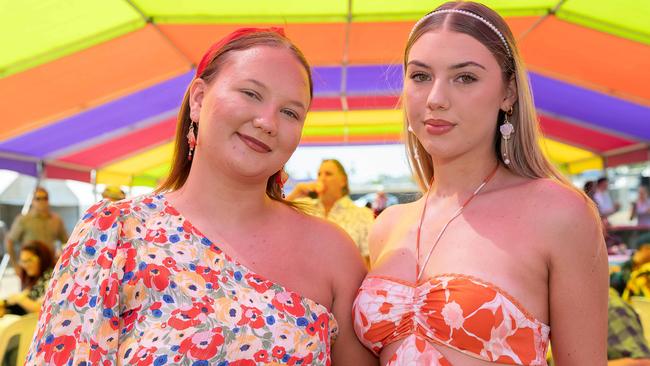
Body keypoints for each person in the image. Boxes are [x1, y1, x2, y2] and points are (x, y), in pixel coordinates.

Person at [26, 28, 374, 365]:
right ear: (198, 99)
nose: (268, 122)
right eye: (251, 94)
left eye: (290, 112)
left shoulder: (334, 254)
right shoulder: (114, 234)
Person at [352, 2, 608, 365]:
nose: (436, 99)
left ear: (508, 94)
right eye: (420, 76)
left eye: (465, 78)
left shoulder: (559, 213)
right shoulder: (389, 225)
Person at [287, 159, 375, 265]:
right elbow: (274, 219)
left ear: (343, 181)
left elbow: (369, 261)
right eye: (319, 174)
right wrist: (296, 193)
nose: (321, 178)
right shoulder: (304, 207)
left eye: (328, 174)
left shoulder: (363, 214)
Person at [5, 187, 67, 270]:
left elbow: (66, 242)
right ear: (32, 201)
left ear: (48, 200)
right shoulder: (23, 219)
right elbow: (9, 242)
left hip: (50, 267)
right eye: (38, 198)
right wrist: (15, 266)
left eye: (45, 198)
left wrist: (61, 255)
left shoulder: (56, 220)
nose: (42, 201)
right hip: (29, 269)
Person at [0, 240, 54, 317]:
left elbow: (42, 308)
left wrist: (20, 299)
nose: (25, 265)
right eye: (23, 261)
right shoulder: (34, 278)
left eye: (29, 260)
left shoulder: (50, 278)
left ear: (42, 258)